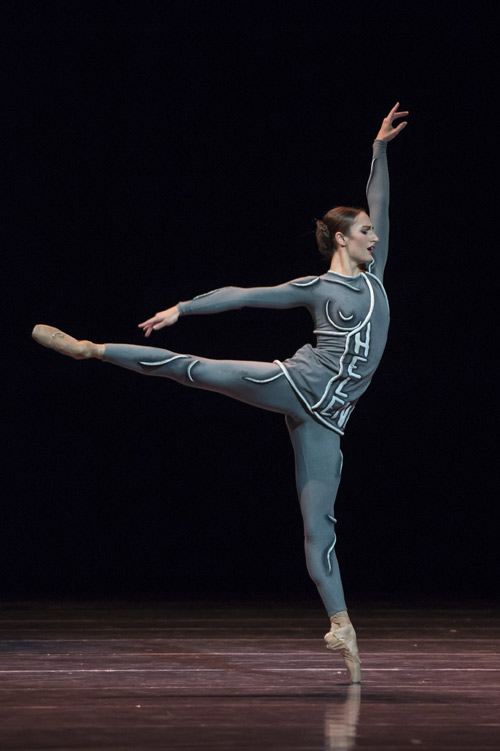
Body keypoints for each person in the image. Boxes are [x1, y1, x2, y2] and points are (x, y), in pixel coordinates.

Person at [33, 103, 408, 683]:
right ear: (341, 238)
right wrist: (182, 308)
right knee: (196, 369)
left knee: (319, 527)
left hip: (330, 420)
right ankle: (92, 349)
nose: (374, 236)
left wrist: (379, 150)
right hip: (295, 383)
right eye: (364, 231)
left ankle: (343, 627)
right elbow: (244, 294)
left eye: (372, 230)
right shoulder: (317, 287)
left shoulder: (376, 276)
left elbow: (380, 199)